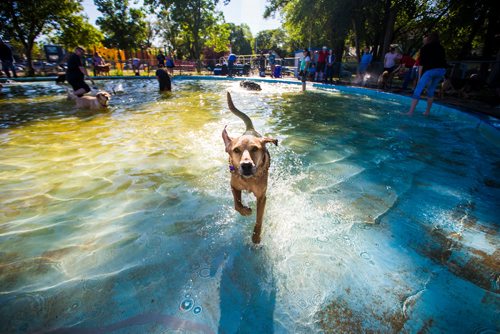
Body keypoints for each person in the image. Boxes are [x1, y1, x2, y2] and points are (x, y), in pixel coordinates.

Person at [406, 32, 447, 116]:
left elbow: (421, 64)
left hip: (431, 70)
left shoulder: (425, 48)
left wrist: (419, 78)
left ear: (428, 39)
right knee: (431, 90)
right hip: (441, 71)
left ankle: (410, 112)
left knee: (418, 90)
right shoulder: (441, 47)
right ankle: (427, 112)